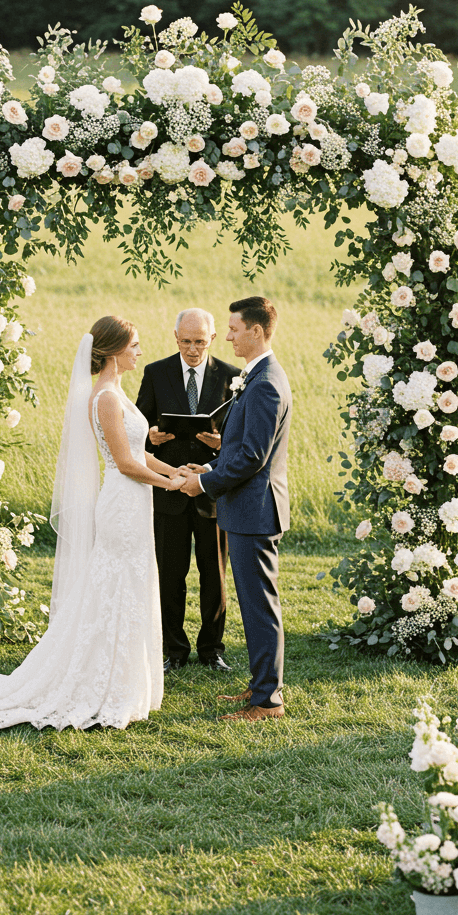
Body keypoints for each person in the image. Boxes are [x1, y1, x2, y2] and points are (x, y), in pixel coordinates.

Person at [0, 316, 186, 731]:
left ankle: (123, 678)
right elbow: (125, 463)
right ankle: (100, 680)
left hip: (135, 501)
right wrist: (173, 484)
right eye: (134, 345)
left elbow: (140, 452)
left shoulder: (117, 394)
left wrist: (175, 470)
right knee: (117, 585)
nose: (139, 352)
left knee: (129, 582)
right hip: (121, 503)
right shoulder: (106, 399)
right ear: (113, 351)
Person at [178, 297, 291, 721]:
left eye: (233, 329)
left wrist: (203, 483)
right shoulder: (257, 376)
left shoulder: (264, 383)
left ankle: (268, 702)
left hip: (254, 512)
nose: (226, 337)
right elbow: (239, 448)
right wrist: (207, 465)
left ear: (256, 331)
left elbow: (252, 458)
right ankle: (261, 688)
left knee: (259, 608)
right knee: (255, 605)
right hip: (247, 510)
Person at [135, 309, 240, 675]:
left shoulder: (232, 376)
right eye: (185, 341)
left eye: (199, 342)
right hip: (169, 491)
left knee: (215, 575)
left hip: (212, 491)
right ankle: (173, 651)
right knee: (170, 576)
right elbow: (137, 425)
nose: (192, 349)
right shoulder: (155, 372)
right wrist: (150, 435)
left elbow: (240, 439)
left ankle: (212, 650)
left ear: (212, 338)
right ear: (175, 336)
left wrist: (220, 443)